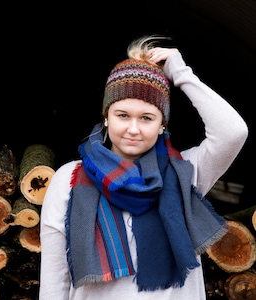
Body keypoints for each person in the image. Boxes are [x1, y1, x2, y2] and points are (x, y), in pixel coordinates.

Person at [39, 35, 248, 300]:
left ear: (163, 124)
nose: (133, 129)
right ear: (106, 116)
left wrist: (180, 73)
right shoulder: (69, 178)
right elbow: (55, 279)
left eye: (147, 118)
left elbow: (233, 131)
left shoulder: (185, 172)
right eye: (122, 115)